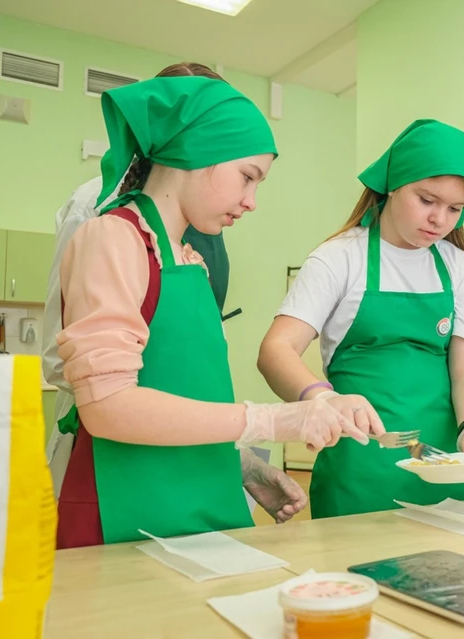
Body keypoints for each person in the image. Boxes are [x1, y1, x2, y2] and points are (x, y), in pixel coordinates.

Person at [54, 75, 383, 548]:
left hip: (202, 508)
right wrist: (274, 420)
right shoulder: (113, 238)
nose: (251, 202)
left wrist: (240, 463)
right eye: (247, 176)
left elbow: (180, 390)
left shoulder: (190, 261)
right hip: (129, 514)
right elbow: (108, 407)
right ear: (197, 149)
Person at [258, 119, 464, 519]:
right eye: (427, 200)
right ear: (393, 184)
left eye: (455, 209)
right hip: (359, 471)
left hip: (445, 468)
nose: (440, 219)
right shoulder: (340, 258)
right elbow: (276, 350)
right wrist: (324, 400)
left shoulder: (460, 268)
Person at [42, 62, 234, 500]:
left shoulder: (206, 220)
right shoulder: (98, 207)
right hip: (109, 453)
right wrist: (127, 403)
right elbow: (59, 352)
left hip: (189, 448)